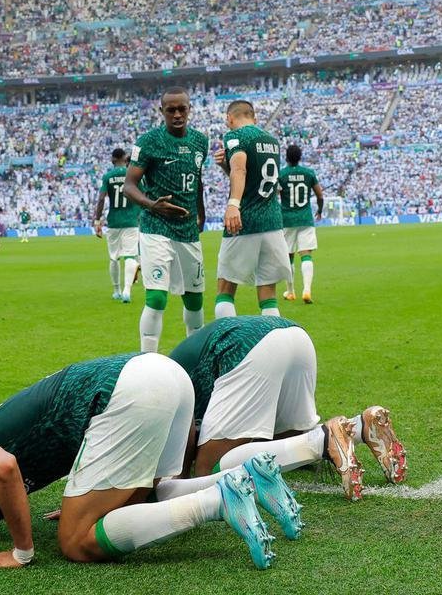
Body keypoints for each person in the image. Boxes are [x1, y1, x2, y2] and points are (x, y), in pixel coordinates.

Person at [0, 352, 296, 571]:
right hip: (162, 374)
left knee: (77, 542)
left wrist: (21, 551)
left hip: (130, 391)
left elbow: (2, 468)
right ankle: (245, 476)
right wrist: (86, 502)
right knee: (148, 495)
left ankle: (218, 501)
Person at [170, 315, 407, 498]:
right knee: (285, 441)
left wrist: (177, 476)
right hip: (293, 335)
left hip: (248, 347)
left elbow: (183, 432)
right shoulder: (159, 370)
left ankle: (324, 441)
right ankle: (361, 426)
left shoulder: (158, 388)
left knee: (209, 469)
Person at [122, 88, 209, 352]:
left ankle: (194, 358)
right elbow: (129, 185)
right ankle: (148, 360)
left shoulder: (200, 142)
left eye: (182, 108)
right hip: (155, 227)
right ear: (162, 112)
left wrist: (201, 213)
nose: (177, 114)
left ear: (189, 109)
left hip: (187, 231)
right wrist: (152, 205)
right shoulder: (148, 142)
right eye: (171, 110)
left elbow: (197, 181)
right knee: (157, 297)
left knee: (194, 300)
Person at [211, 101, 290, 319]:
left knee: (225, 289)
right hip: (272, 222)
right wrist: (223, 165)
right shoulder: (272, 141)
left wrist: (233, 204)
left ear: (230, 119)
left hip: (245, 220)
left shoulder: (235, 136)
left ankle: (229, 346)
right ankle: (274, 347)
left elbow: (240, 169)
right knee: (268, 293)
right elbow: (251, 176)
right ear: (254, 118)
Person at [93, 148, 140, 303]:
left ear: (113, 159)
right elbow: (143, 195)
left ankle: (116, 290)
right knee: (130, 255)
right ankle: (127, 291)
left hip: (114, 221)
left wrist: (97, 220)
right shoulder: (132, 174)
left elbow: (101, 199)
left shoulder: (108, 176)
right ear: (125, 159)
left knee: (114, 258)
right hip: (131, 221)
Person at [278, 144, 324, 304]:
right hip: (305, 218)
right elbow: (319, 194)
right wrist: (320, 209)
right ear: (300, 157)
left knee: (288, 256)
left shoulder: (281, 174)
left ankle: (290, 291)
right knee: (306, 255)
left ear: (286, 157)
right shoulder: (308, 173)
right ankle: (307, 289)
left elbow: (275, 194)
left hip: (287, 219)